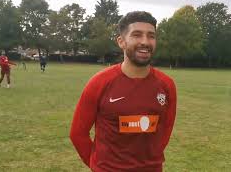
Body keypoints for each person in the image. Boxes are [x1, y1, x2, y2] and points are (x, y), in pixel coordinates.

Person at [70, 11, 177, 172]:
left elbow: (166, 129)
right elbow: (78, 134)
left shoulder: (166, 85)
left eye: (151, 36)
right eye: (137, 35)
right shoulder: (99, 83)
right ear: (121, 41)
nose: (145, 42)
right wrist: (98, 166)